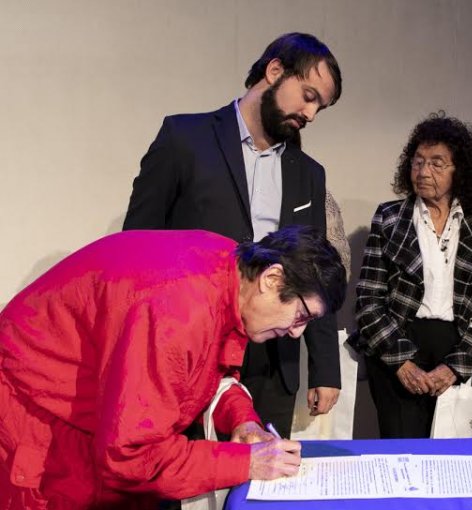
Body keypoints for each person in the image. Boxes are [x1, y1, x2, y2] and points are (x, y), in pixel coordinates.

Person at [0, 225, 346, 508]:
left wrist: (241, 418)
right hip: (40, 426)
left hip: (96, 423)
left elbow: (208, 370)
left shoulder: (231, 267)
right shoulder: (179, 311)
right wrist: (245, 462)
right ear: (272, 279)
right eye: (301, 316)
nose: (296, 332)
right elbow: (130, 455)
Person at [123, 32, 344, 437]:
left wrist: (326, 367)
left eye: (320, 107)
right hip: (188, 348)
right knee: (177, 480)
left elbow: (314, 272)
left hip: (274, 360)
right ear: (274, 70)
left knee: (265, 482)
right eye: (308, 95)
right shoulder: (184, 139)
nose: (311, 114)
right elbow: (136, 247)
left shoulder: (309, 173)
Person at [352, 112, 472, 438]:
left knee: (456, 455)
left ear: (459, 170)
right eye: (418, 162)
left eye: (437, 163)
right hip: (397, 344)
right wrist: (401, 362)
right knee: (403, 454)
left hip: (459, 346)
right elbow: (368, 301)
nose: (423, 172)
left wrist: (455, 367)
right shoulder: (390, 218)